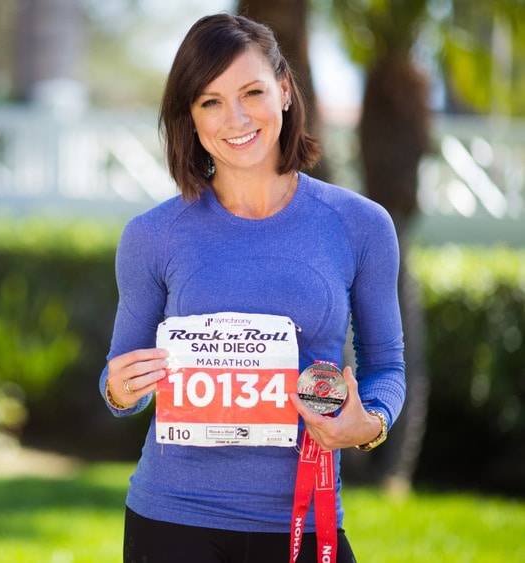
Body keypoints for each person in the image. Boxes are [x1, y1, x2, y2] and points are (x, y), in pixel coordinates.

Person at [99, 13, 406, 563]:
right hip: (172, 522)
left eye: (252, 92)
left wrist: (369, 425)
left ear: (285, 91)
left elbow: (387, 364)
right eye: (209, 101)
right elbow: (121, 378)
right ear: (189, 118)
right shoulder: (151, 235)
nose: (234, 118)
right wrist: (121, 389)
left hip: (305, 521)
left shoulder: (360, 225)